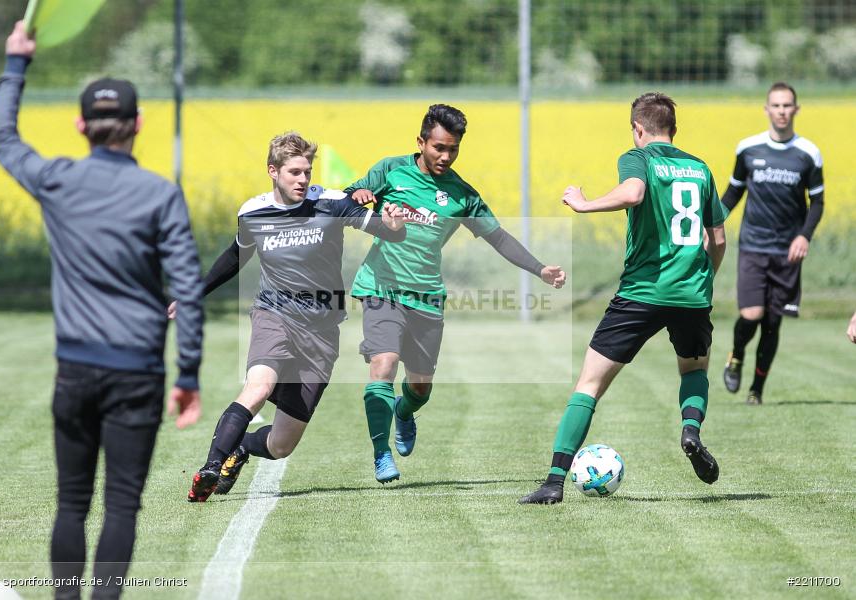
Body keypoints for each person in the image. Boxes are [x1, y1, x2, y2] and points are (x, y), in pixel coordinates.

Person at [0, 22, 203, 599]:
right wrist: (187, 375)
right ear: (137, 126)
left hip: (75, 370)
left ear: (81, 126)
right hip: (138, 371)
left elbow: (2, 141)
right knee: (123, 504)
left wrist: (16, 65)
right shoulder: (161, 194)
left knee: (71, 503)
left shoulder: (57, 180)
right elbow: (187, 290)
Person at [520, 92, 727, 505]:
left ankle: (554, 482)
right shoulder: (700, 168)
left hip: (643, 291)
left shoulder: (639, 158)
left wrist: (582, 204)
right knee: (693, 368)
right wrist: (702, 281)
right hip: (691, 293)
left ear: (638, 128)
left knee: (589, 385)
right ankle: (691, 430)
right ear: (674, 129)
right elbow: (718, 238)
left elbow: (633, 194)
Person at [345, 104, 566, 484]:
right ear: (421, 142)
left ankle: (404, 411)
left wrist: (540, 269)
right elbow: (349, 200)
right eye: (439, 148)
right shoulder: (390, 170)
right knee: (383, 363)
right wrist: (360, 193)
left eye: (453, 149)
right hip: (381, 288)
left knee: (420, 387)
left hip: (427, 297)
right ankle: (382, 453)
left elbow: (498, 237)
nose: (445, 156)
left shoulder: (462, 195)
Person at [183, 132, 406, 502]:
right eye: (294, 172)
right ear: (273, 171)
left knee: (281, 444)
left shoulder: (332, 204)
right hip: (275, 316)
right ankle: (210, 467)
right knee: (257, 387)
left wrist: (394, 227)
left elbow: (386, 231)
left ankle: (240, 449)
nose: (303, 180)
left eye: (307, 171)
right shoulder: (253, 213)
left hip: (321, 333)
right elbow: (236, 256)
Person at [721, 82, 824, 405]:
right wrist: (712, 221)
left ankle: (757, 390)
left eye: (787, 105)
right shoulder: (748, 149)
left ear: (796, 109)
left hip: (787, 252)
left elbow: (818, 202)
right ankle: (736, 355)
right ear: (766, 109)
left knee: (772, 323)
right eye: (776, 105)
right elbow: (734, 192)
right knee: (751, 314)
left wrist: (803, 235)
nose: (781, 111)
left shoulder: (808, 153)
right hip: (753, 245)